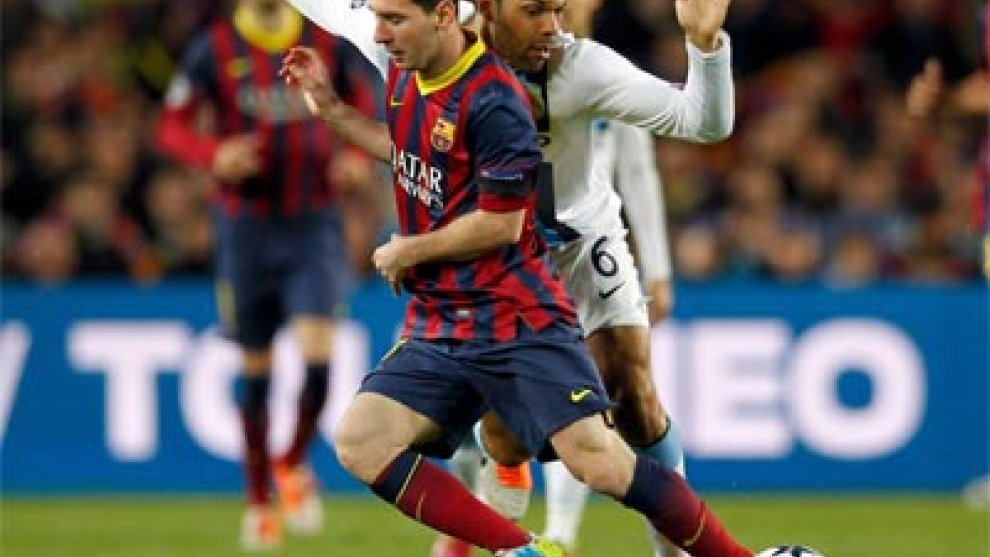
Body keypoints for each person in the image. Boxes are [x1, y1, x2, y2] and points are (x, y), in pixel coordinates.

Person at [280, 0, 753, 555]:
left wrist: (704, 45)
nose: (556, 26)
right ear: (484, 9)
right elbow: (395, 117)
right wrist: (332, 108)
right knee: (479, 438)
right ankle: (520, 531)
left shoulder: (575, 68)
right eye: (535, 11)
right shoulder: (414, 43)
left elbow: (699, 124)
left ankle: (672, 549)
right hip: (471, 274)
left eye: (559, 9)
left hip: (567, 245)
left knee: (630, 398)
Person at [156, 0, 378, 549]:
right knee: (256, 373)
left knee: (319, 364)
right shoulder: (214, 47)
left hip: (313, 224)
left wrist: (356, 155)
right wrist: (213, 154)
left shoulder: (327, 37)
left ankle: (292, 461)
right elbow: (172, 125)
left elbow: (365, 100)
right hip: (246, 229)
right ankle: (258, 500)